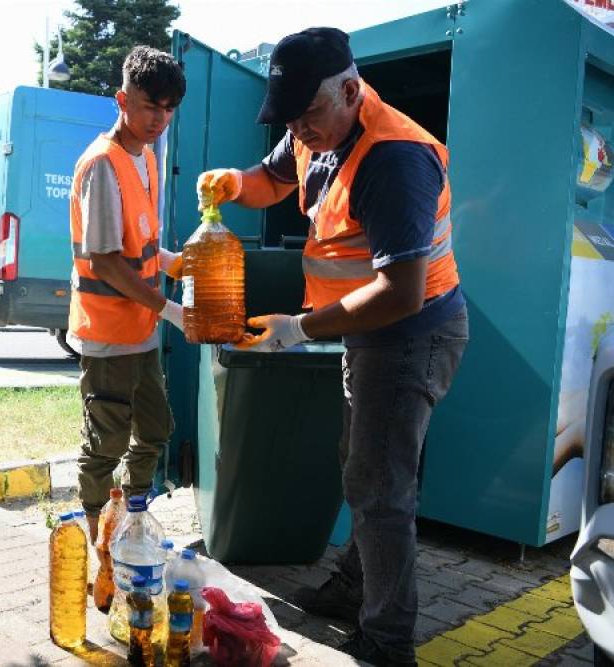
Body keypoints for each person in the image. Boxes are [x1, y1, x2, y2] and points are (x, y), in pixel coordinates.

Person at [198, 28, 468, 667]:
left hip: (411, 335)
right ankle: (358, 586)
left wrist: (297, 328)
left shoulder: (395, 159)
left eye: (308, 115)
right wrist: (234, 184)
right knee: (365, 468)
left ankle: (387, 641)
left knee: (380, 489)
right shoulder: (315, 125)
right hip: (368, 333)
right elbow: (272, 177)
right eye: (290, 118)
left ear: (351, 90)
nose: (299, 130)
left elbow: (400, 293)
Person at [68, 46, 187, 544]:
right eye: (148, 106)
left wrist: (172, 262)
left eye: (167, 108)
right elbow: (105, 261)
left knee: (156, 430)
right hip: (108, 333)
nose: (158, 118)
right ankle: (98, 532)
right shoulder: (102, 164)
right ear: (122, 99)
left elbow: (138, 244)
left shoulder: (147, 157)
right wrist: (172, 310)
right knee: (106, 443)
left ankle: (132, 517)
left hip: (140, 331)